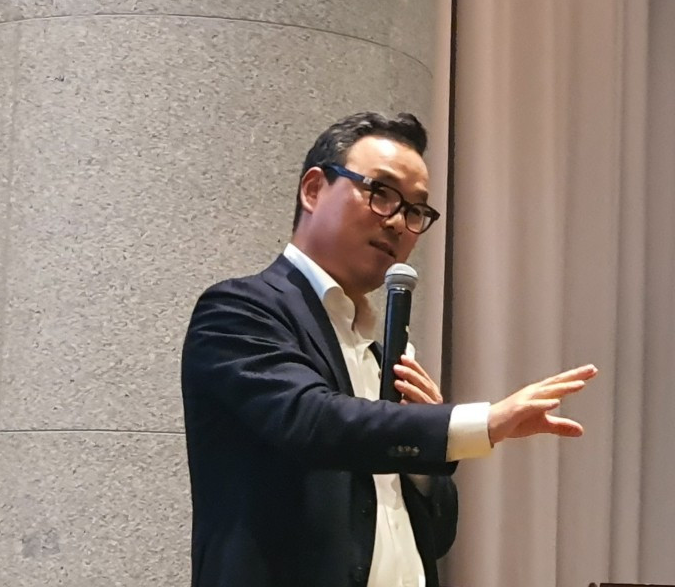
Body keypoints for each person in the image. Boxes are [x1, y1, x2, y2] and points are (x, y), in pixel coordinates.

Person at [181, 112, 597, 587]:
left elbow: (436, 536)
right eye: (380, 192)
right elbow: (312, 420)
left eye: (416, 210)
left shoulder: (381, 356)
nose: (399, 222)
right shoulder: (239, 311)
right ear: (313, 190)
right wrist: (480, 422)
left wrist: (422, 460)